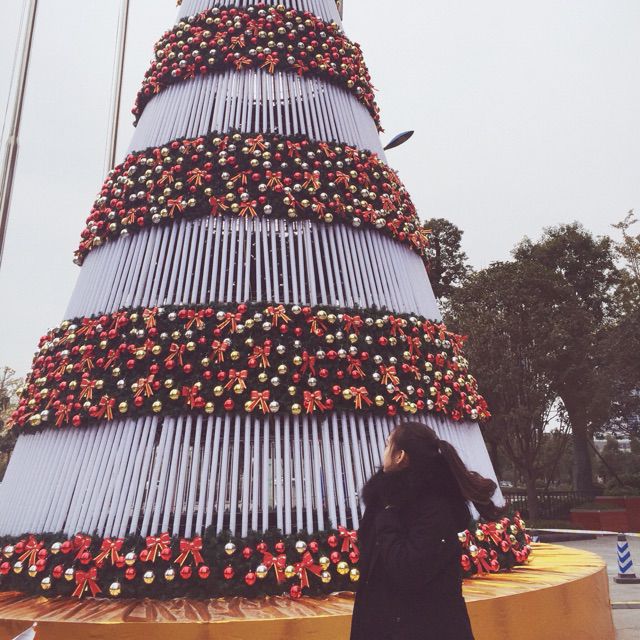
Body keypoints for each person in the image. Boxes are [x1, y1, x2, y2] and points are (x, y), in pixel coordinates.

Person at [350, 421, 502, 640]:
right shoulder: (385, 497)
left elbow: (408, 568)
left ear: (400, 456)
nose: (384, 452)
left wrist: (388, 513)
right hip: (384, 623)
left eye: (387, 444)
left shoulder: (433, 506)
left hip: (423, 627)